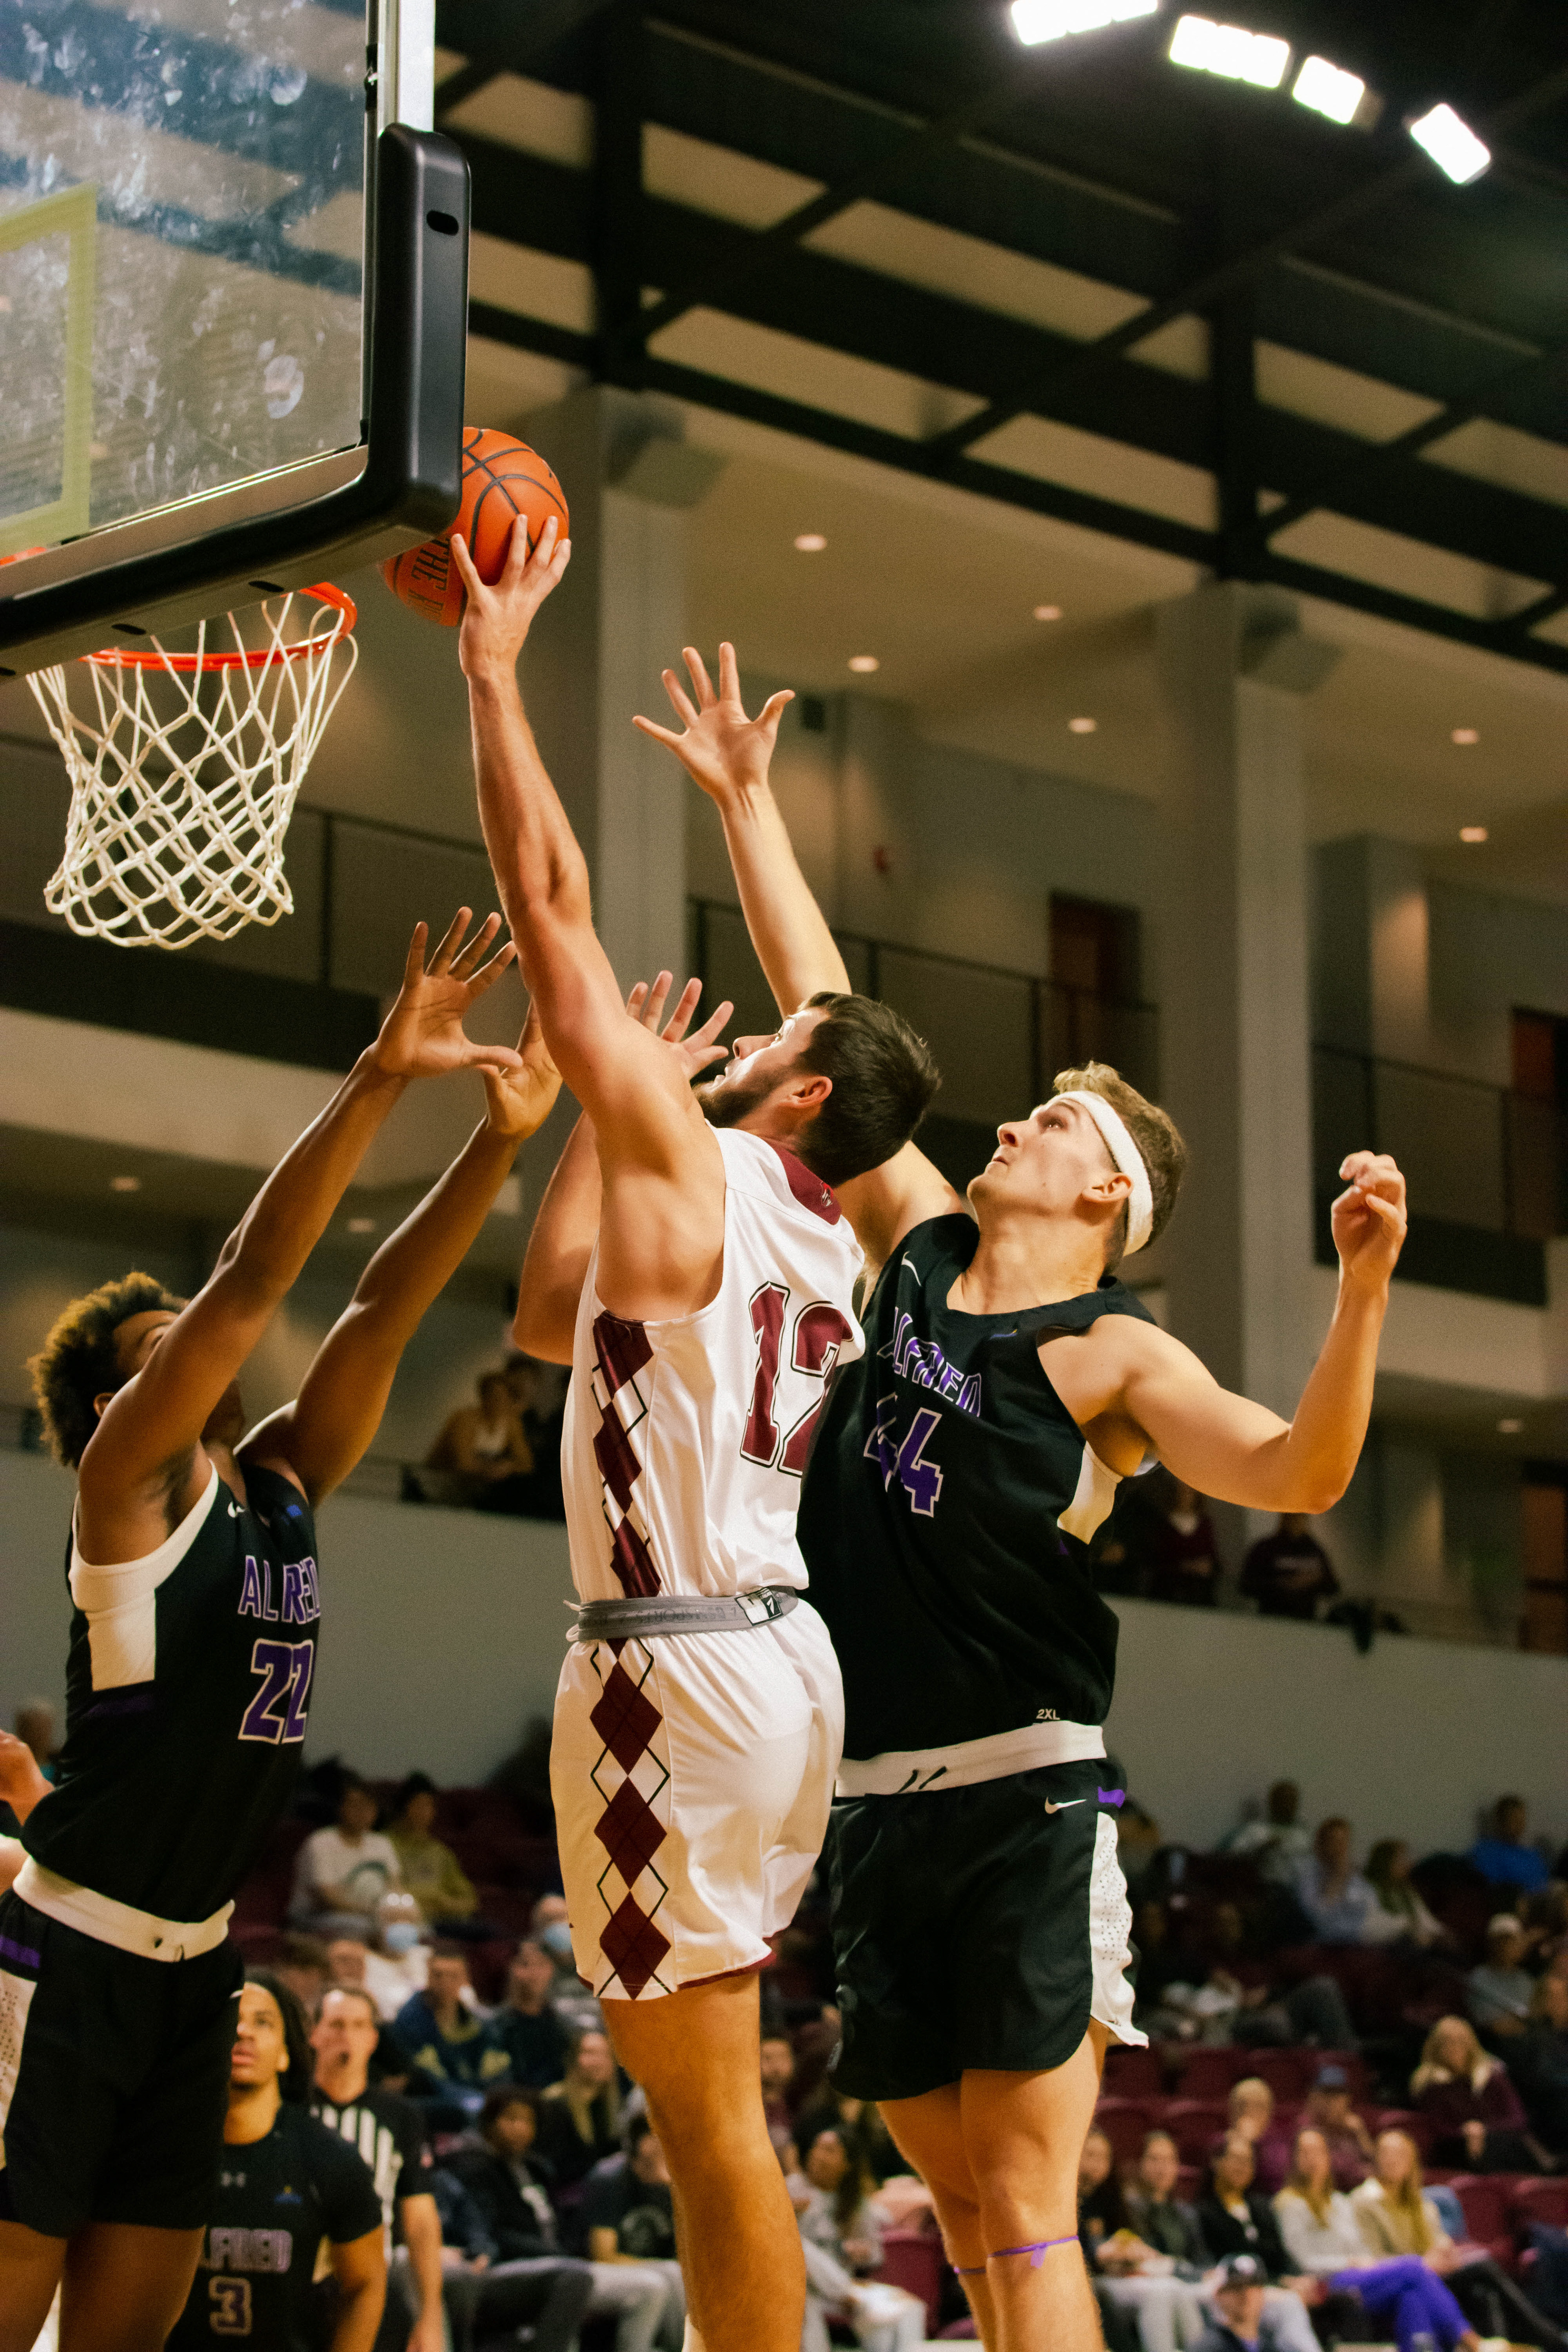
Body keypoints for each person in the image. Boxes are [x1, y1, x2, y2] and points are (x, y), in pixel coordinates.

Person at [640, 619, 1406, 2352]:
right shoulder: (906, 1247)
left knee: (1024, 2193)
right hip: (873, 1796)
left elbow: (1299, 1470)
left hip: (1026, 1797)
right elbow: (827, 1006)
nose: (1015, 1124)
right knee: (949, 2191)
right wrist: (751, 807)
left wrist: (1358, 1294)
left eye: (1057, 1125)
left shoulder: (1114, 1356)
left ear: (1105, 1198)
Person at [456, 530, 938, 2352]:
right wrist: (602, 1111)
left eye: (781, 1036)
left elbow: (554, 906)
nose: (749, 1031)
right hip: (776, 1660)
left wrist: (493, 675)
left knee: (705, 2128)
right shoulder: (828, 1224)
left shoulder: (702, 1157)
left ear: (798, 1088)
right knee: (717, 2114)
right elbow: (546, 1319)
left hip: (680, 1667)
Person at [0, 911, 559, 2352]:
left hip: (196, 1972)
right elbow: (256, 1275)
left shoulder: (287, 1481)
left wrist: (499, 1140)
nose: (195, 1339)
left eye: (177, 1328)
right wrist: (381, 1074)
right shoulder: (125, 1488)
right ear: (117, 1412)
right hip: (59, 1962)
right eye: (153, 1350)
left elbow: (381, 1301)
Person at [167, 1972, 385, 2352]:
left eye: (262, 2022)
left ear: (286, 2053)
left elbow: (365, 2284)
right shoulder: (161, 2154)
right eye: (231, 2020)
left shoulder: (329, 2157)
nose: (244, 2032)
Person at [446, 2087, 677, 2352]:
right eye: (511, 2119)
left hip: (563, 2261)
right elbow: (493, 2232)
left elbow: (561, 2224)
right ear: (489, 2122)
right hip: (515, 2267)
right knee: (634, 2285)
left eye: (528, 2122)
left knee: (662, 2281)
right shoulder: (473, 2169)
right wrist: (559, 2255)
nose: (521, 2129)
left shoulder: (535, 2168)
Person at [1272, 2126, 1493, 2352]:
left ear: (1328, 2157)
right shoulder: (1289, 2204)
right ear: (1294, 2160)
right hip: (1325, 2281)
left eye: (1319, 2152)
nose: (1313, 2160)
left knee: (1411, 2294)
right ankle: (1469, 2339)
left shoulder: (1339, 2202)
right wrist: (1349, 2262)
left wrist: (1363, 2261)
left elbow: (1362, 2248)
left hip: (1360, 2275)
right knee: (1414, 2267)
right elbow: (1303, 2260)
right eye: (1305, 2153)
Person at [310, 1985, 445, 2352]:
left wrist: (430, 2316)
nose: (346, 2037)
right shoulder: (289, 2108)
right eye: (336, 2024)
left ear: (373, 2039)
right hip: (295, 2286)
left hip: (370, 2283)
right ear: (314, 2033)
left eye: (358, 2026)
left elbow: (420, 2224)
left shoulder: (400, 2116)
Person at [1352, 2126, 1567, 2352]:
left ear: (1412, 2161)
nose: (1392, 2160)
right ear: (1376, 2158)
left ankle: (1527, 2341)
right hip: (1401, 2276)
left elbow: (1440, 2243)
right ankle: (1550, 2339)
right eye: (1386, 2153)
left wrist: (1446, 2253)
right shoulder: (1365, 2201)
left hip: (1435, 2273)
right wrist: (1424, 2261)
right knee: (1483, 2270)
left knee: (1482, 2278)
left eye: (1400, 2154)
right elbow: (1371, 2259)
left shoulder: (1423, 2203)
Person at [793, 2126, 926, 2352]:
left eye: (829, 2150)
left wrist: (864, 2253)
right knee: (797, 2246)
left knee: (912, 2310)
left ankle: (845, 2292)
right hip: (806, 2288)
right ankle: (843, 2291)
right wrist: (793, 2213)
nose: (818, 2155)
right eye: (817, 2148)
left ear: (847, 2164)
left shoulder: (856, 2203)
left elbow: (875, 2255)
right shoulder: (793, 2189)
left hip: (847, 2290)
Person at [1077, 2127, 1207, 2352]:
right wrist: (1103, 2255)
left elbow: (1127, 2238)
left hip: (1123, 2275)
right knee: (1162, 2291)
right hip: (1093, 2281)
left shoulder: (1111, 2196)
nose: (1098, 2164)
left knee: (1179, 2291)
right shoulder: (1068, 2200)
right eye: (1091, 2155)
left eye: (1104, 2157)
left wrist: (1130, 2252)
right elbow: (1082, 2253)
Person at [579, 2119, 686, 2344]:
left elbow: (683, 2251)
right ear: (646, 2144)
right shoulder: (610, 2178)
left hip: (644, 2266)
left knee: (680, 2271)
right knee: (668, 2274)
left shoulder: (670, 2181)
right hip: (588, 2268)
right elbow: (602, 2254)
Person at [1411, 2014, 1544, 2172]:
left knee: (1510, 2145)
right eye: (1447, 2043)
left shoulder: (1493, 2076)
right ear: (1436, 2048)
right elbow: (1438, 2128)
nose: (1454, 2048)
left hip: (1498, 2140)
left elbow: (1518, 2118)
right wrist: (1468, 2133)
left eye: (1460, 2042)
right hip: (1455, 2148)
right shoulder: (1430, 2085)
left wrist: (1483, 2130)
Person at [393, 1946, 510, 2117]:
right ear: (428, 1977)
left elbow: (497, 2070)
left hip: (476, 2098)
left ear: (465, 1980)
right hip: (431, 2103)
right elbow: (428, 2078)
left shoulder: (479, 2024)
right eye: (438, 1975)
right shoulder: (409, 2022)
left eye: (453, 1976)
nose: (445, 1982)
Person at [292, 1781, 407, 1940]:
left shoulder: (382, 1843)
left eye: (368, 1806)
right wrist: (377, 1912)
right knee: (367, 1928)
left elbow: (396, 1886)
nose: (362, 1812)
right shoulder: (320, 1842)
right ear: (340, 1808)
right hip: (317, 1918)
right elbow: (327, 1899)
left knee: (416, 1926)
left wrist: (398, 1910)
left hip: (373, 1915)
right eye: (355, 1805)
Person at [423, 1372, 535, 1510]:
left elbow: (526, 1463)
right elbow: (463, 1463)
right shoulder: (465, 1420)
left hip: (478, 1488)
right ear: (483, 1397)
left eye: (504, 1398)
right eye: (494, 1397)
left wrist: (508, 1466)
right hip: (443, 1484)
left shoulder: (511, 1424)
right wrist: (492, 1469)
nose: (499, 1403)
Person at [385, 1775, 481, 1934]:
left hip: (445, 1921)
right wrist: (431, 1896)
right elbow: (386, 1892)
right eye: (418, 1805)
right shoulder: (384, 1845)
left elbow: (470, 1901)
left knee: (490, 1932)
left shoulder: (440, 1852)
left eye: (429, 1806)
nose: (424, 1812)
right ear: (403, 1808)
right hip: (404, 1919)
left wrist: (444, 1903)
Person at [534, 2028, 625, 2195]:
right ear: (574, 2060)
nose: (598, 2061)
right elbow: (553, 2165)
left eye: (606, 2055)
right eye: (590, 2053)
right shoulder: (554, 2104)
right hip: (568, 2194)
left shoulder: (613, 2105)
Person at [1292, 1818, 1401, 1945]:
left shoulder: (1356, 1877)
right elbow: (1319, 1920)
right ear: (1322, 1844)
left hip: (1361, 1938)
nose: (1341, 1848)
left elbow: (1372, 1907)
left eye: (1344, 1841)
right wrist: (1337, 1879)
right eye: (1335, 1841)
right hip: (1329, 1942)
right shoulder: (1308, 1875)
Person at [490, 1940, 573, 2089]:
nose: (533, 1973)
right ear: (511, 1968)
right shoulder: (494, 2027)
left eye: (541, 1965)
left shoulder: (563, 2027)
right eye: (524, 1965)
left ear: (552, 1970)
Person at [1238, 1515, 1339, 1621]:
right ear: (1284, 1518)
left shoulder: (1314, 1550)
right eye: (1292, 1517)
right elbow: (1246, 1585)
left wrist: (1314, 1581)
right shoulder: (1267, 1548)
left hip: (1305, 1621)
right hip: (1271, 1618)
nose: (1296, 1521)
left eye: (1300, 1517)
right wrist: (1281, 1584)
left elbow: (1333, 1588)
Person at [1147, 1479, 1223, 1608]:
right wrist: (1184, 1566)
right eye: (1181, 1491)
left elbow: (1213, 1558)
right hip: (1167, 1594)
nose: (1185, 1496)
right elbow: (1154, 1559)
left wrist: (1206, 1567)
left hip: (1198, 1596)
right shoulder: (1162, 1524)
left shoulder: (1205, 1525)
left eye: (1189, 1492)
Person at [1516, 1972, 1568, 2156]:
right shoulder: (1533, 2037)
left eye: (1563, 1996)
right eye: (1552, 1997)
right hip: (1547, 2106)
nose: (1560, 2002)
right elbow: (1543, 2078)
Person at [1222, 1784, 1312, 1885]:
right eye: (1282, 1799)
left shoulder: (1304, 1836)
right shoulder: (1254, 1830)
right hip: (1259, 1887)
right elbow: (1232, 1859)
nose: (1287, 1804)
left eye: (1292, 1800)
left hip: (1295, 1891)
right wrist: (1261, 1850)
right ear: (1272, 1802)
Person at [1468, 1913, 1536, 2040]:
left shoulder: (1525, 1979)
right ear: (1491, 1944)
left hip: (1526, 2045)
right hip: (1492, 2044)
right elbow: (1493, 2026)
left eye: (1512, 1941)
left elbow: (1530, 2019)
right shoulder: (1479, 1977)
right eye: (1501, 1941)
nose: (1505, 1947)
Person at [1365, 1840, 1447, 1945]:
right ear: (1386, 1863)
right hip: (1389, 1944)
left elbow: (1426, 1920)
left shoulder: (1406, 1892)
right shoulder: (1370, 1890)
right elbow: (1374, 1924)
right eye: (1401, 1860)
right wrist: (1409, 1928)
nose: (1407, 1864)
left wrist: (1441, 1934)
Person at [1470, 1797, 1551, 1895]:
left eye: (1522, 1820)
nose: (1520, 1826)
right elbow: (1494, 1889)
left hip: (1544, 1902)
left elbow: (1546, 1883)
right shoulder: (1486, 1852)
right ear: (1501, 1823)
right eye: (1515, 1820)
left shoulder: (1531, 1854)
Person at [761, 2031, 798, 2159]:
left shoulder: (799, 2102)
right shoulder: (748, 2105)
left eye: (783, 2058)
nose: (776, 2066)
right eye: (767, 2058)